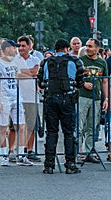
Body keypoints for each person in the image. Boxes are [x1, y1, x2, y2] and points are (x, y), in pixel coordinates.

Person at [37, 38, 85, 174]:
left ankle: (49, 165)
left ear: (55, 49)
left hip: (51, 99)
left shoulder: (46, 61)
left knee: (51, 132)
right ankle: (70, 164)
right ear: (66, 49)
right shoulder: (75, 61)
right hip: (67, 99)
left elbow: (40, 82)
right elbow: (80, 81)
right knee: (69, 133)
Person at [0, 39, 32, 166]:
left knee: (21, 126)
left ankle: (21, 155)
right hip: (4, 98)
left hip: (16, 97)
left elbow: (18, 75)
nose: (16, 49)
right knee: (3, 128)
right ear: (7, 49)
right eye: (14, 47)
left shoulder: (16, 61)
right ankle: (4, 155)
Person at [78, 38, 108, 163]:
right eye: (86, 46)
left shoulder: (102, 62)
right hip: (82, 96)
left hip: (95, 98)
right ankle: (78, 153)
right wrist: (83, 83)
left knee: (91, 127)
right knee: (79, 126)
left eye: (90, 46)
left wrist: (105, 98)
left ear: (97, 48)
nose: (87, 48)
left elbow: (104, 80)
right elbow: (76, 76)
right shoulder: (81, 61)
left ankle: (89, 152)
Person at [17, 36, 41, 162]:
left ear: (29, 46)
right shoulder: (14, 59)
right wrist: (29, 72)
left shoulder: (36, 58)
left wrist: (24, 72)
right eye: (19, 45)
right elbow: (17, 74)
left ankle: (30, 150)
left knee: (31, 125)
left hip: (31, 97)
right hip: (17, 96)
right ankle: (18, 150)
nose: (21, 48)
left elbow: (36, 72)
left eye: (23, 45)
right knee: (16, 126)